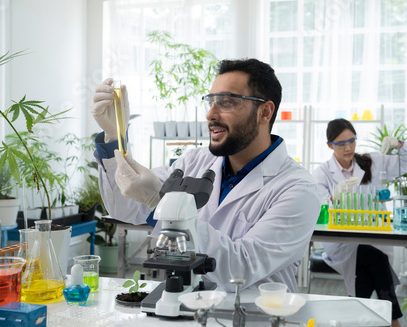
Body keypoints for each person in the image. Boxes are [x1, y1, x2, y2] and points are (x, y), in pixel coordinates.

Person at [91, 58, 320, 292]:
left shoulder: (298, 189)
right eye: (211, 101)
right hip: (186, 307)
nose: (211, 114)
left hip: (252, 316)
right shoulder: (194, 161)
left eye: (226, 102)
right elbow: (125, 207)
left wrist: (161, 203)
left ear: (264, 112)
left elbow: (240, 268)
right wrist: (114, 137)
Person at [312, 118, 407, 327]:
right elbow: (319, 207)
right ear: (329, 145)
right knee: (374, 258)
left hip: (374, 235)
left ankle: (352, 318)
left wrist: (398, 143)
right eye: (341, 143)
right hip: (342, 243)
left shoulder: (372, 161)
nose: (348, 147)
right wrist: (335, 197)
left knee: (368, 268)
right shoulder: (322, 173)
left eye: (352, 141)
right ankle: (393, 321)